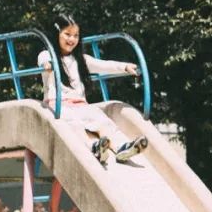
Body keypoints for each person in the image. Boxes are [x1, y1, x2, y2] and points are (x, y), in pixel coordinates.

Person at [38, 14, 148, 167]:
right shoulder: (46, 55)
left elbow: (103, 65)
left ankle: (121, 148)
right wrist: (47, 65)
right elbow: (44, 62)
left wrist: (124, 67)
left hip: (80, 105)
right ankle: (94, 147)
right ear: (56, 34)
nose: (72, 39)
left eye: (76, 35)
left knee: (102, 121)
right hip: (57, 106)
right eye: (67, 34)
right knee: (73, 123)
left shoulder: (81, 60)